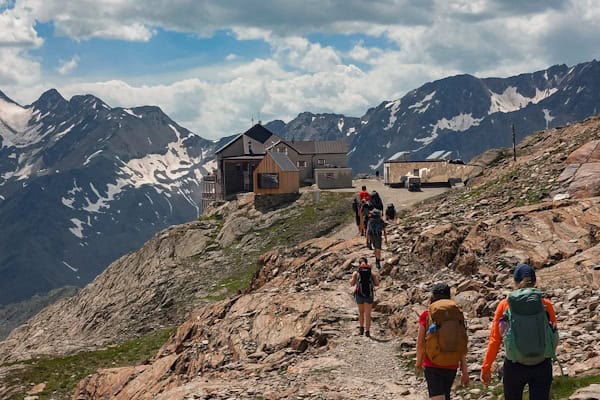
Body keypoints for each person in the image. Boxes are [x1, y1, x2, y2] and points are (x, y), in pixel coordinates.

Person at [480, 264, 558, 400]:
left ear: (515, 282)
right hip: (542, 364)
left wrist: (486, 368)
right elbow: (553, 334)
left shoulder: (505, 305)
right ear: (535, 282)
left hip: (515, 365)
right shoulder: (545, 304)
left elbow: (495, 339)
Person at [416, 283, 469, 400]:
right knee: (446, 395)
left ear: (433, 297)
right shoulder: (456, 314)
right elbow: (461, 342)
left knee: (437, 397)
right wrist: (465, 371)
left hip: (432, 363)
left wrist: (419, 362)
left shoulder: (427, 314)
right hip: (452, 363)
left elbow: (420, 343)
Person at [350, 257, 379, 337]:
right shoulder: (371, 273)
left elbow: (352, 283)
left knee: (361, 313)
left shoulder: (356, 273)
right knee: (368, 314)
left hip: (359, 294)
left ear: (359, 265)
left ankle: (361, 329)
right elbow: (377, 283)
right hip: (369, 295)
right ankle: (367, 332)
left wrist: (353, 279)